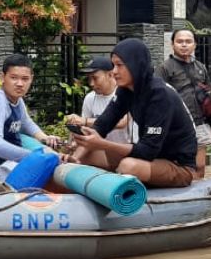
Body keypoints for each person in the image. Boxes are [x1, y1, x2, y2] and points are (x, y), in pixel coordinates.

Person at [68, 38, 197, 187]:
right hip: (149, 160)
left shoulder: (160, 94)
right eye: (113, 65)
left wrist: (102, 144)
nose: (114, 71)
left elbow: (147, 150)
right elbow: (101, 126)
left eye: (119, 65)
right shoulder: (126, 90)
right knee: (87, 154)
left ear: (136, 65)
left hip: (178, 166)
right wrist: (76, 155)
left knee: (128, 166)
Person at [0, 54, 63, 176]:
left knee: (55, 161)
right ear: (2, 77)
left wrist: (45, 138)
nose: (20, 84)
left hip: (12, 164)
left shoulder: (17, 99)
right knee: (53, 170)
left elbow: (26, 123)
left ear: (31, 79)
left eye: (25, 79)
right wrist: (32, 157)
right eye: (14, 78)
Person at [157, 28, 211, 180]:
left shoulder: (201, 67)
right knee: (182, 166)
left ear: (195, 45)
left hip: (200, 123)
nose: (184, 45)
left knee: (200, 166)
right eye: (179, 41)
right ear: (172, 44)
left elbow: (208, 98)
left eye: (188, 41)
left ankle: (199, 197)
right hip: (177, 125)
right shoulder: (164, 68)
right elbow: (158, 98)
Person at [66, 56, 137, 145]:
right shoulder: (90, 98)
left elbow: (122, 122)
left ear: (110, 75)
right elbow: (85, 129)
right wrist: (73, 140)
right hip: (101, 150)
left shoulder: (125, 93)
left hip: (128, 149)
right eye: (89, 79)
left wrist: (85, 121)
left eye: (95, 78)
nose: (91, 83)